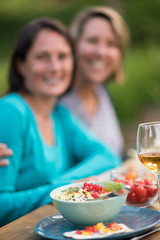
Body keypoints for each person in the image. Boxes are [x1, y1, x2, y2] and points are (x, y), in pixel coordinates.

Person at [0, 17, 122, 226]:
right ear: (21, 65)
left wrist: (67, 183)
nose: (55, 67)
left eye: (63, 56)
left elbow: (107, 155)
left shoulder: (60, 114)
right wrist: (63, 189)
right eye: (42, 57)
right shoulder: (12, 112)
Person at [60, 7, 130, 158]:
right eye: (92, 40)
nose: (101, 52)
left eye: (111, 44)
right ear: (73, 45)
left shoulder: (104, 94)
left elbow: (116, 153)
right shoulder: (54, 99)